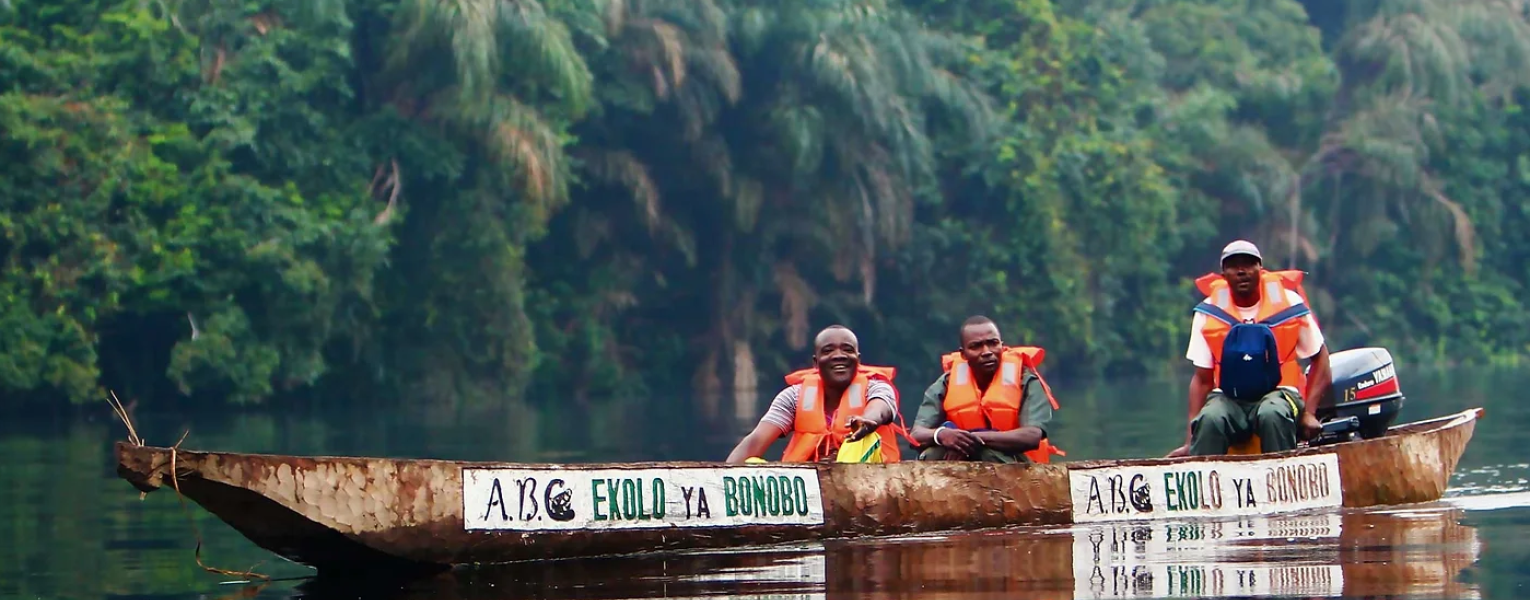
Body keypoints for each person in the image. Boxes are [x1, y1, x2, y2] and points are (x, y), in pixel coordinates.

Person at [1171, 240, 1332, 457]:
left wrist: (1309, 413)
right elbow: (1202, 380)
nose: (1241, 271)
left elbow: (1321, 360)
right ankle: (1205, 483)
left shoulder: (1290, 304)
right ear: (1224, 274)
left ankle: (1281, 482)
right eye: (1233, 266)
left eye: (1248, 264)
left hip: (1281, 394)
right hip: (1229, 397)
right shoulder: (1209, 312)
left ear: (1260, 268)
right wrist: (1190, 442)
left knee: (1272, 413)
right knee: (1211, 418)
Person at [725, 325, 906, 463]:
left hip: (867, 482)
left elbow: (881, 407)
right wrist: (720, 478)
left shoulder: (876, 387)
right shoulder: (793, 397)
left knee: (866, 437)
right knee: (750, 463)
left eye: (847, 350)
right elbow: (756, 440)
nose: (839, 356)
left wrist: (868, 420)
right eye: (828, 351)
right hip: (811, 485)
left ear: (858, 360)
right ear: (816, 363)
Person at [908, 316, 1062, 463]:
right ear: (963, 354)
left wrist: (971, 440)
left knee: (985, 452)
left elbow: (1031, 436)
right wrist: (941, 434)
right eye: (976, 346)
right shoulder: (946, 383)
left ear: (1002, 345)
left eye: (993, 343)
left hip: (1018, 466)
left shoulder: (1027, 380)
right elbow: (916, 434)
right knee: (933, 453)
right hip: (960, 462)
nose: (987, 351)